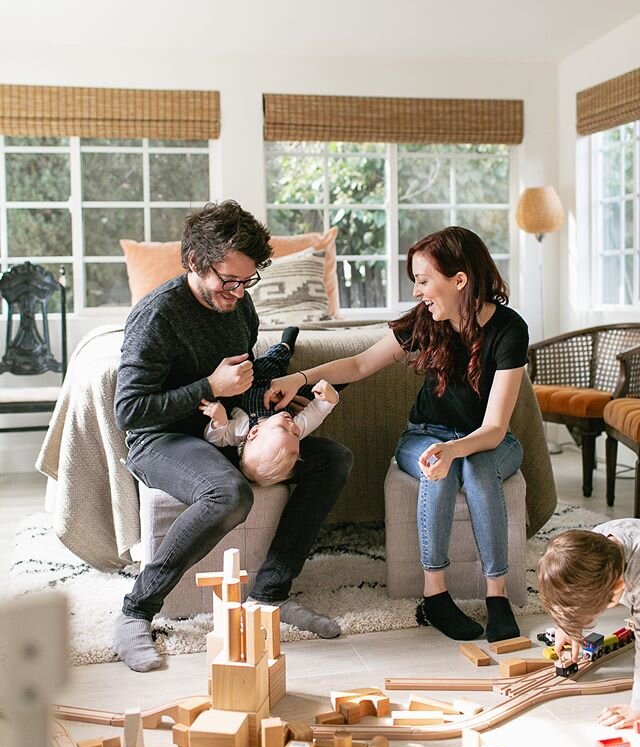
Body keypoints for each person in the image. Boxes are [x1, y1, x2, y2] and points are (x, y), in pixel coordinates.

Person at [113, 200, 352, 671]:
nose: (240, 292)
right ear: (194, 262)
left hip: (227, 430)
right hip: (160, 439)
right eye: (229, 280)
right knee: (228, 494)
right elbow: (129, 411)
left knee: (333, 459)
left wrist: (267, 400)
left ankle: (268, 596)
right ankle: (135, 611)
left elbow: (241, 381)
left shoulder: (240, 310)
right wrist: (208, 388)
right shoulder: (157, 317)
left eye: (248, 280)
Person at [265, 226, 528, 643]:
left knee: (475, 467)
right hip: (425, 433)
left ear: (459, 280)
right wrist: (300, 377)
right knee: (434, 470)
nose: (419, 291)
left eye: (424, 281)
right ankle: (435, 597)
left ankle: (498, 598)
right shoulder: (426, 320)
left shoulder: (509, 329)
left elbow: (494, 429)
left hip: (487, 442)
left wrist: (454, 448)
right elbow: (358, 365)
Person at [200, 327, 340, 485]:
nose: (293, 427)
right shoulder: (297, 427)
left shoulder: (241, 430)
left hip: (249, 386)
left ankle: (283, 346)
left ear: (254, 432)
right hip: (283, 390)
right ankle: (287, 347)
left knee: (267, 363)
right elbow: (316, 413)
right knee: (284, 367)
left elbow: (216, 439)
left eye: (283, 429)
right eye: (296, 435)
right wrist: (329, 397)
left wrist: (219, 421)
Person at [537, 519, 640, 728]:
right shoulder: (593, 547)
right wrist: (567, 626)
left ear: (618, 587)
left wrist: (638, 707)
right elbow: (566, 586)